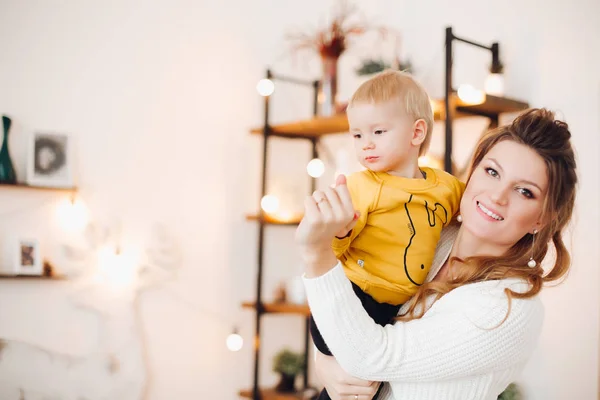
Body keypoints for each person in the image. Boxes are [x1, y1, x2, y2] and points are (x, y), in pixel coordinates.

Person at [296, 108, 577, 400]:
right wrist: (325, 360)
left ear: (542, 219)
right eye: (492, 172)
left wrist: (317, 253)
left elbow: (372, 356)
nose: (497, 196)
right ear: (473, 171)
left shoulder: (511, 307)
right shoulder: (428, 232)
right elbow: (347, 305)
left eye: (524, 191)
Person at [309, 70, 464, 399]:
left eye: (378, 131)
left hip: (394, 309)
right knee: (356, 385)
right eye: (356, 135)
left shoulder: (445, 187)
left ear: (416, 132)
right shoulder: (362, 186)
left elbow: (465, 213)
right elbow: (337, 241)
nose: (366, 145)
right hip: (354, 297)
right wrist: (341, 230)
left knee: (368, 386)